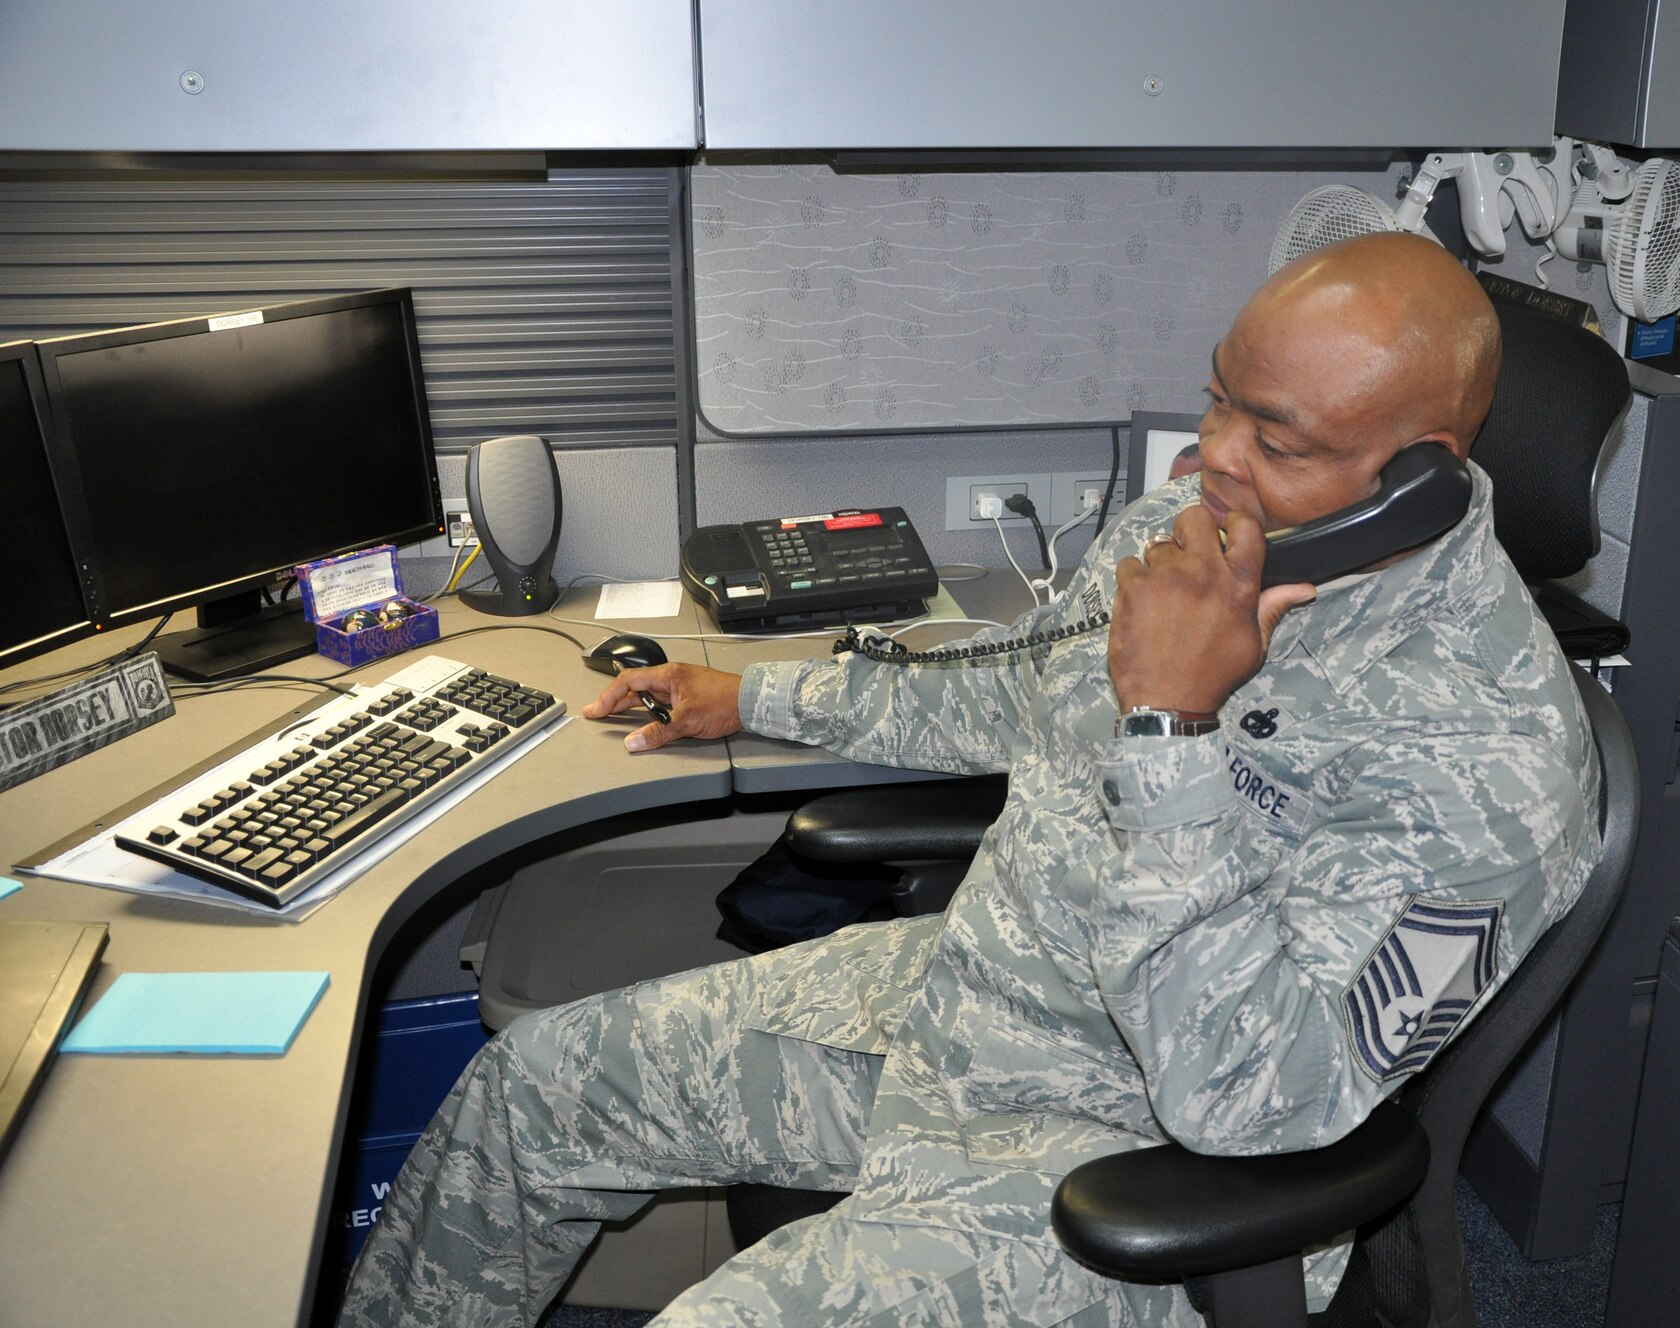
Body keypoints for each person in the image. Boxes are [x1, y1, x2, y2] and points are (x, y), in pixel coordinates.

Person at [340, 232, 1602, 1328]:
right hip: (960, 999)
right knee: (527, 1090)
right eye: (1216, 401)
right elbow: (1006, 688)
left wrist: (1173, 726)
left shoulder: (1492, 757)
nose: (1206, 458)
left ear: (1420, 471)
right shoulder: (1203, 534)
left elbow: (1262, 1103)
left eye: (1271, 438)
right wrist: (756, 693)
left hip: (1124, 1147)